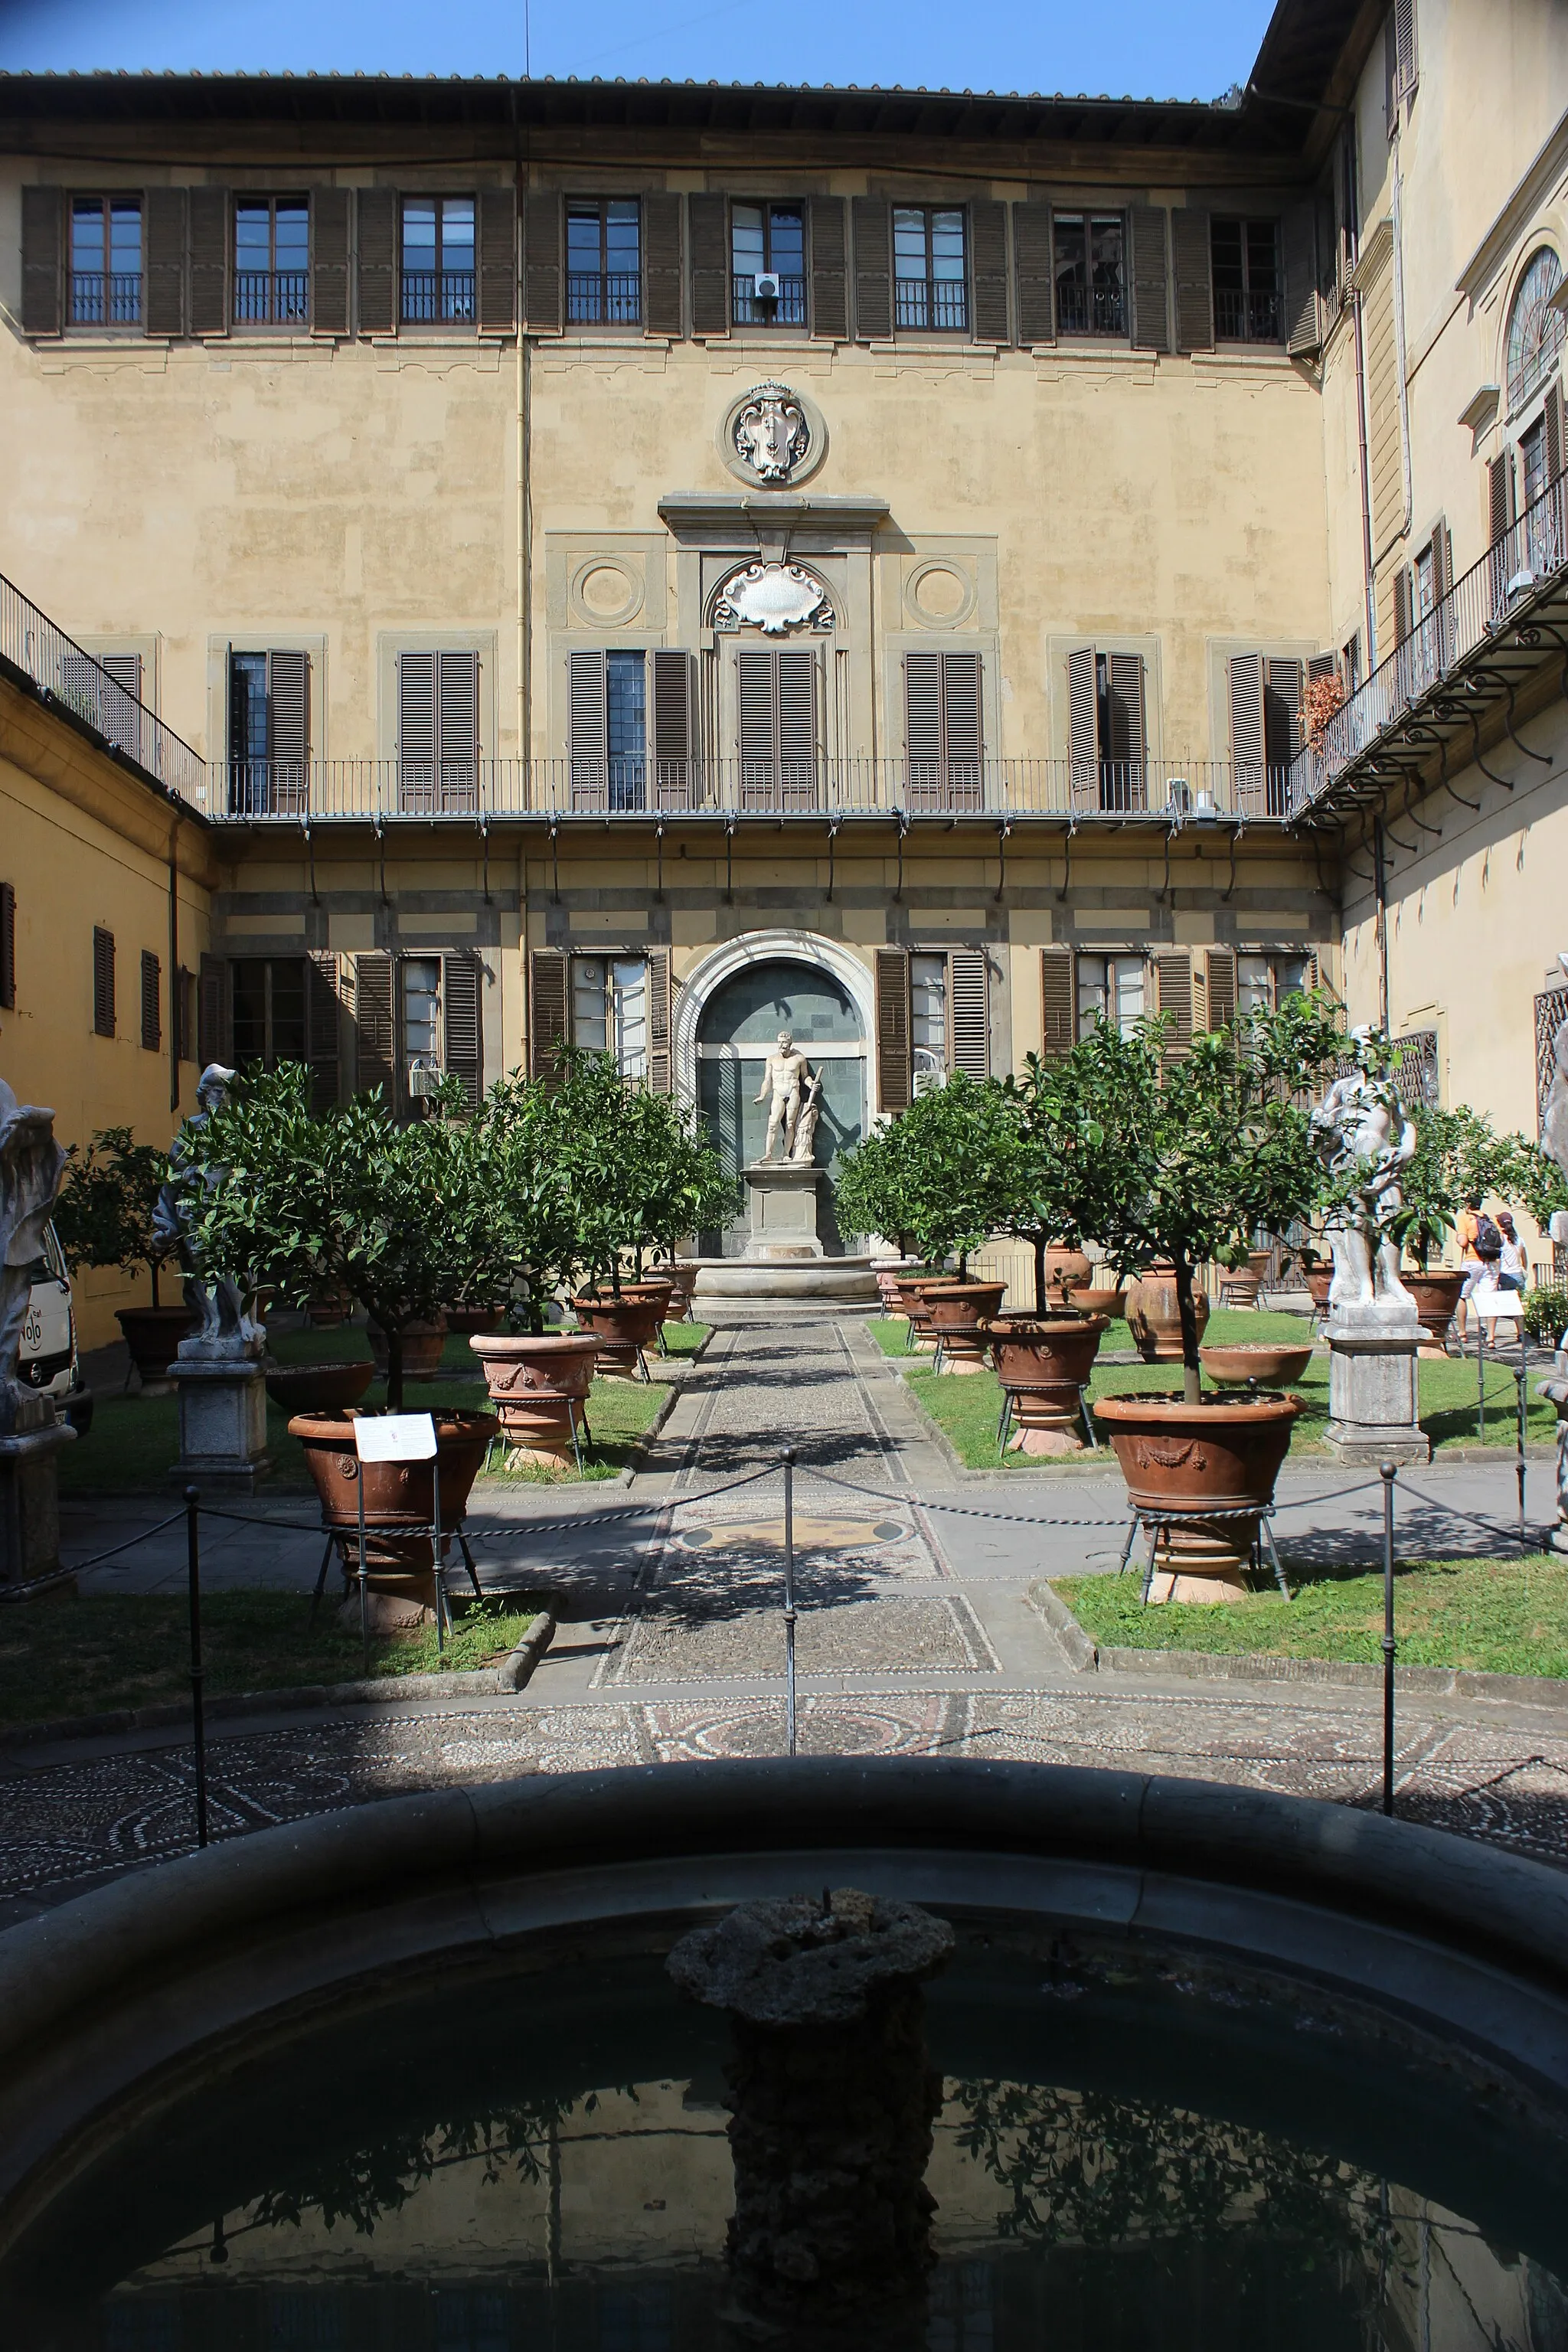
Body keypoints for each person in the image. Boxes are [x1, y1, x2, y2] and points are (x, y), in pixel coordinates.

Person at [1496, 1210, 1527, 1292]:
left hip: (1504, 1275)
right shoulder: (1520, 1240)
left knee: (1505, 1303)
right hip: (1518, 1274)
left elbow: (1498, 1260)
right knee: (1519, 1302)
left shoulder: (1501, 1239)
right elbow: (1525, 1260)